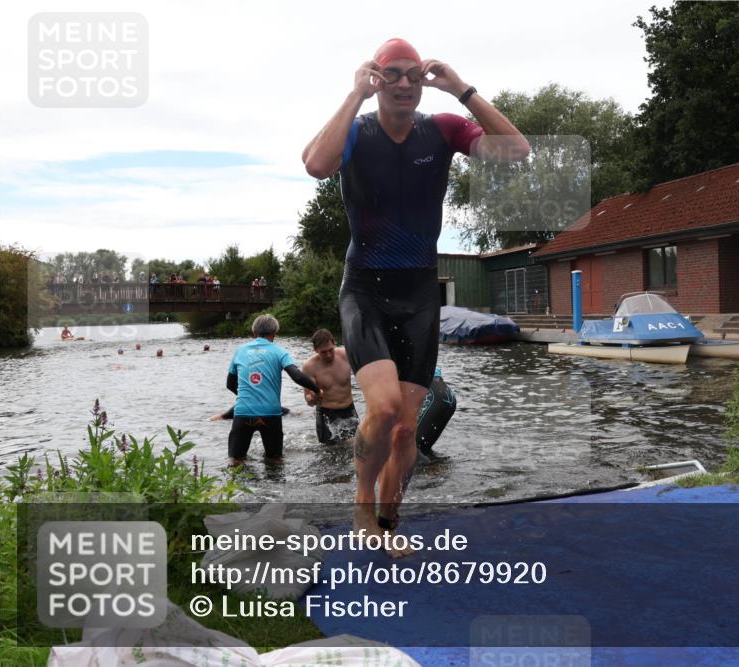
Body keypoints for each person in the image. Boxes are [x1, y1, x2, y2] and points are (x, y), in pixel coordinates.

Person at [301, 37, 528, 554]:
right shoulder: (355, 132)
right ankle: (362, 506)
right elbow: (316, 164)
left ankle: (388, 523)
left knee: (406, 431)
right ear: (377, 79)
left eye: (413, 75)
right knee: (380, 409)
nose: (404, 83)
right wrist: (354, 95)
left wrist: (461, 89)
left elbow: (516, 152)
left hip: (421, 294)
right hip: (366, 290)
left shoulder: (442, 130)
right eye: (392, 74)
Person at [225, 314, 322, 464]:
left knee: (236, 461)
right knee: (275, 461)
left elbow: (230, 384)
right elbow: (296, 376)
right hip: (270, 414)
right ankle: (275, 486)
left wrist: (249, 395)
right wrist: (316, 389)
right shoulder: (279, 352)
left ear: (254, 332)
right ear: (274, 334)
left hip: (243, 413)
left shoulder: (240, 351)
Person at [301, 329, 358, 444]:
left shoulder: (347, 355)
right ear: (315, 350)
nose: (328, 355)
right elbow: (308, 400)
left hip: (349, 410)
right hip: (326, 414)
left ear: (334, 343)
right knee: (329, 454)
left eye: (330, 350)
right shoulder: (309, 367)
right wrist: (313, 398)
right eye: (323, 352)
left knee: (358, 447)